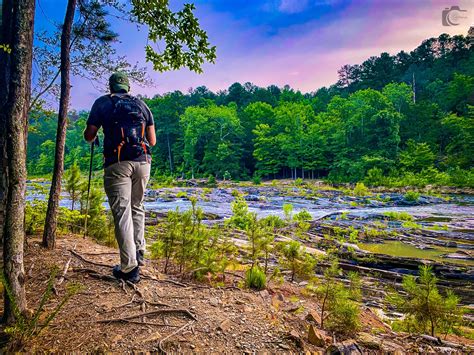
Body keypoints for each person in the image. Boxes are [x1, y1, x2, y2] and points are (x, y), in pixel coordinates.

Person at [84, 72, 156, 283]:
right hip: (143, 162)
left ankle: (129, 268)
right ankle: (139, 251)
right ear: (128, 87)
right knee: (137, 207)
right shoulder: (142, 105)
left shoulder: (103, 103)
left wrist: (96, 133)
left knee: (122, 212)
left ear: (111, 86)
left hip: (117, 163)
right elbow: (152, 141)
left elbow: (89, 135)